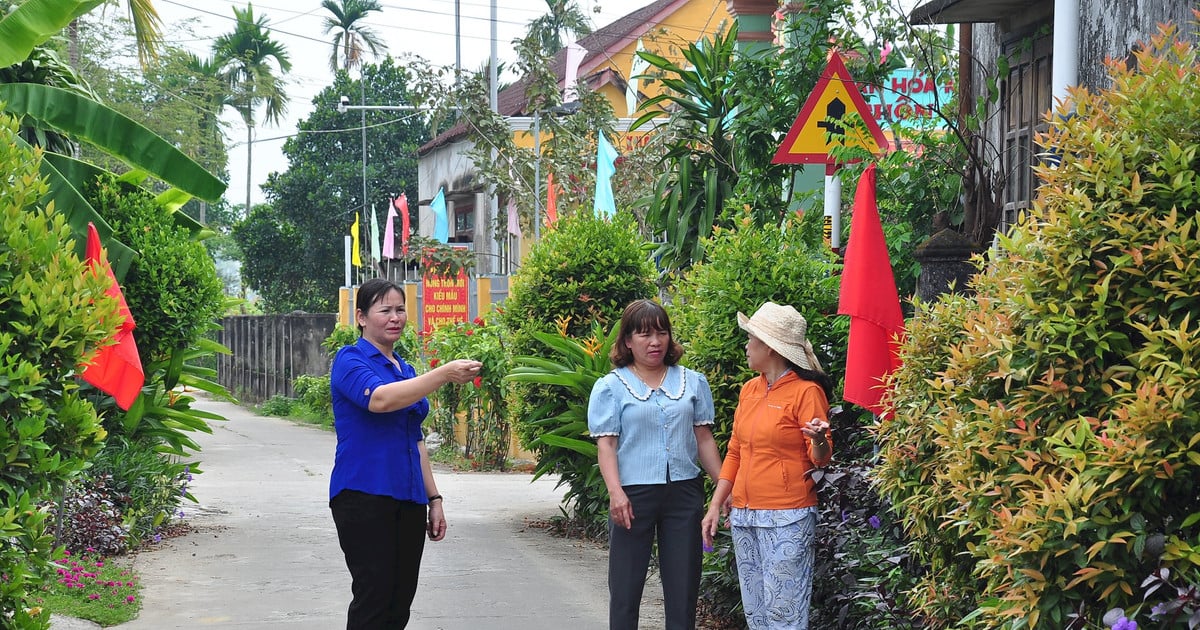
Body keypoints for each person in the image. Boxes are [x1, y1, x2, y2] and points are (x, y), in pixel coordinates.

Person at [328, 278, 482, 629]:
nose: (395, 317)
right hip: (363, 493)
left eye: (400, 310)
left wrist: (435, 498)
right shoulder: (350, 360)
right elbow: (380, 400)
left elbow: (416, 439)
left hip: (408, 497)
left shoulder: (406, 369)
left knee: (399, 603)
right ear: (362, 317)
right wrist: (443, 373)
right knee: (374, 596)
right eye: (385, 310)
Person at [587, 299, 723, 630]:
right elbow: (606, 444)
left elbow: (703, 438)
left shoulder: (692, 382)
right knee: (626, 587)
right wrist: (615, 492)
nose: (655, 342)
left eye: (662, 333)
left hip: (684, 493)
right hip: (632, 495)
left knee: (683, 586)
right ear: (627, 341)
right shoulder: (611, 387)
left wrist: (724, 485)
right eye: (645, 334)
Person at [701, 302, 833, 630]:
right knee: (757, 612)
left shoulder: (807, 392)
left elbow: (821, 459)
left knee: (782, 613)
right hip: (745, 515)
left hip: (788, 516)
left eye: (751, 339)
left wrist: (818, 439)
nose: (746, 346)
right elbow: (735, 453)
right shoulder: (749, 390)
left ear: (771, 349)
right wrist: (716, 504)